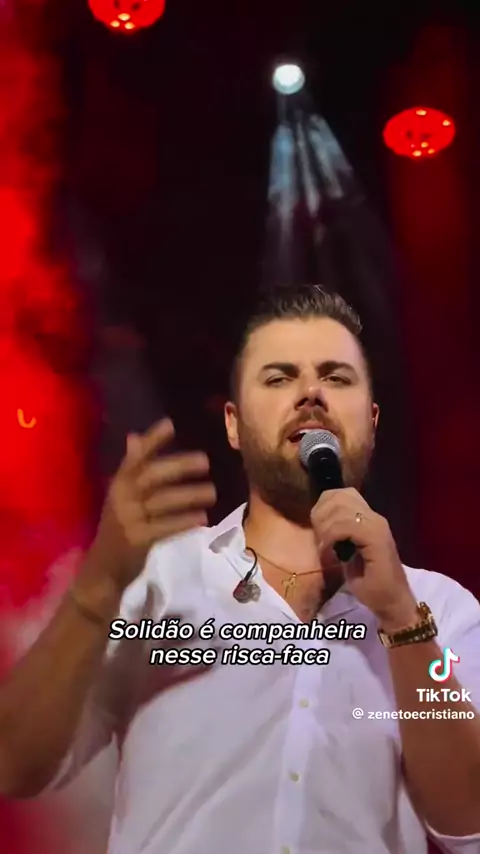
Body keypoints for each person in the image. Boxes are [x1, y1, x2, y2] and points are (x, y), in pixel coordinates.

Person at [0, 285, 479, 854]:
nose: (311, 394)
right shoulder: (160, 578)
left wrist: (401, 619)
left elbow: (468, 822)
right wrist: (99, 585)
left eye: (337, 378)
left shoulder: (440, 610)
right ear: (233, 424)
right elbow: (14, 764)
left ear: (372, 422)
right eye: (278, 379)